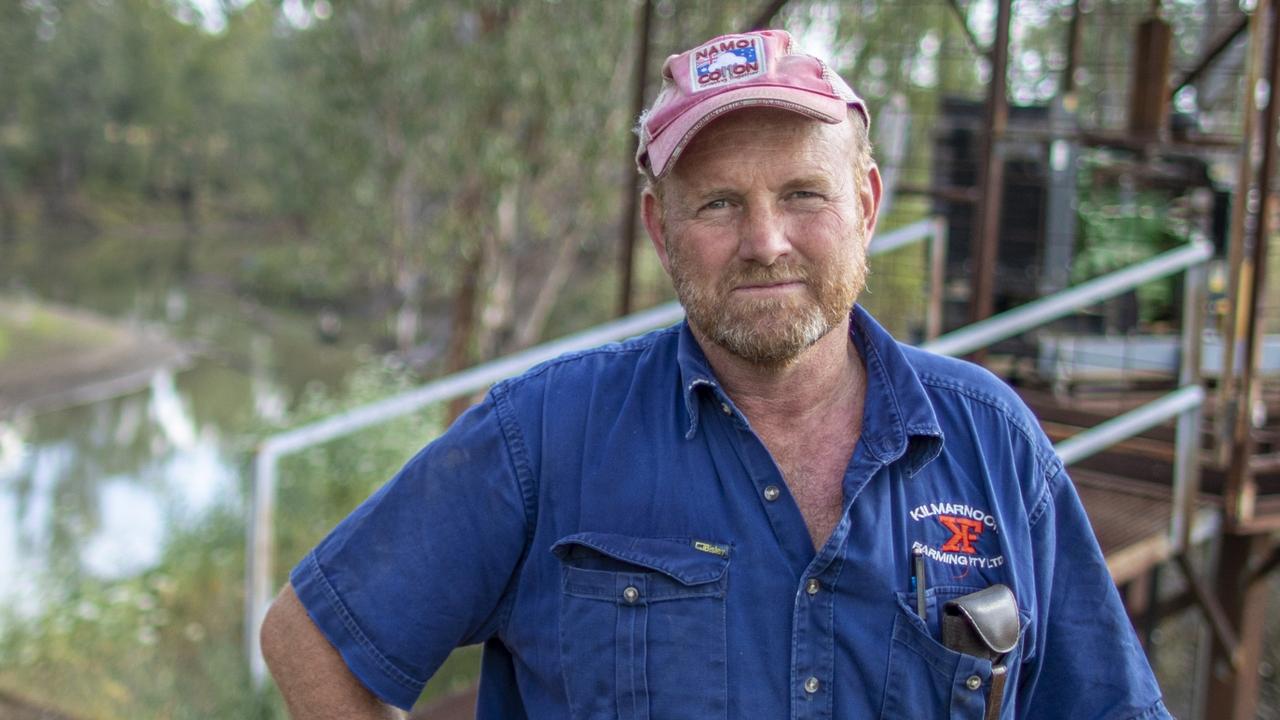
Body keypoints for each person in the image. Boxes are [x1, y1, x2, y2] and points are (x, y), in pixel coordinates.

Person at [261, 29, 1172, 720]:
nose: (766, 241)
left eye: (804, 195)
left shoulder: (993, 443)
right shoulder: (544, 436)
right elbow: (310, 635)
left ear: (866, 203)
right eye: (720, 203)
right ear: (661, 230)